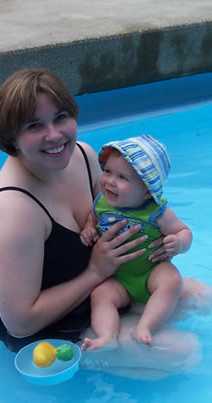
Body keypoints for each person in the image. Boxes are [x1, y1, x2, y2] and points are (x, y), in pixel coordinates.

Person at [0, 68, 212, 380]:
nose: (55, 135)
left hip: (106, 284)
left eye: (61, 117)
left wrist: (158, 244)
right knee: (185, 352)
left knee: (206, 299)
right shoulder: (12, 211)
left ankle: (129, 323)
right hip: (51, 326)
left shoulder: (82, 156)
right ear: (12, 138)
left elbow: (116, 211)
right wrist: (95, 272)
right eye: (35, 126)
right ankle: (99, 352)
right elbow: (21, 324)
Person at [80, 135, 189, 351]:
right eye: (108, 171)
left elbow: (183, 231)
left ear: (147, 191)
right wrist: (89, 228)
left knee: (171, 280)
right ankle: (107, 336)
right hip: (118, 278)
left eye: (123, 177)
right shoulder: (101, 201)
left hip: (150, 272)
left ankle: (146, 326)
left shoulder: (157, 213)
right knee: (101, 295)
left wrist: (178, 243)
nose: (110, 181)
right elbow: (92, 216)